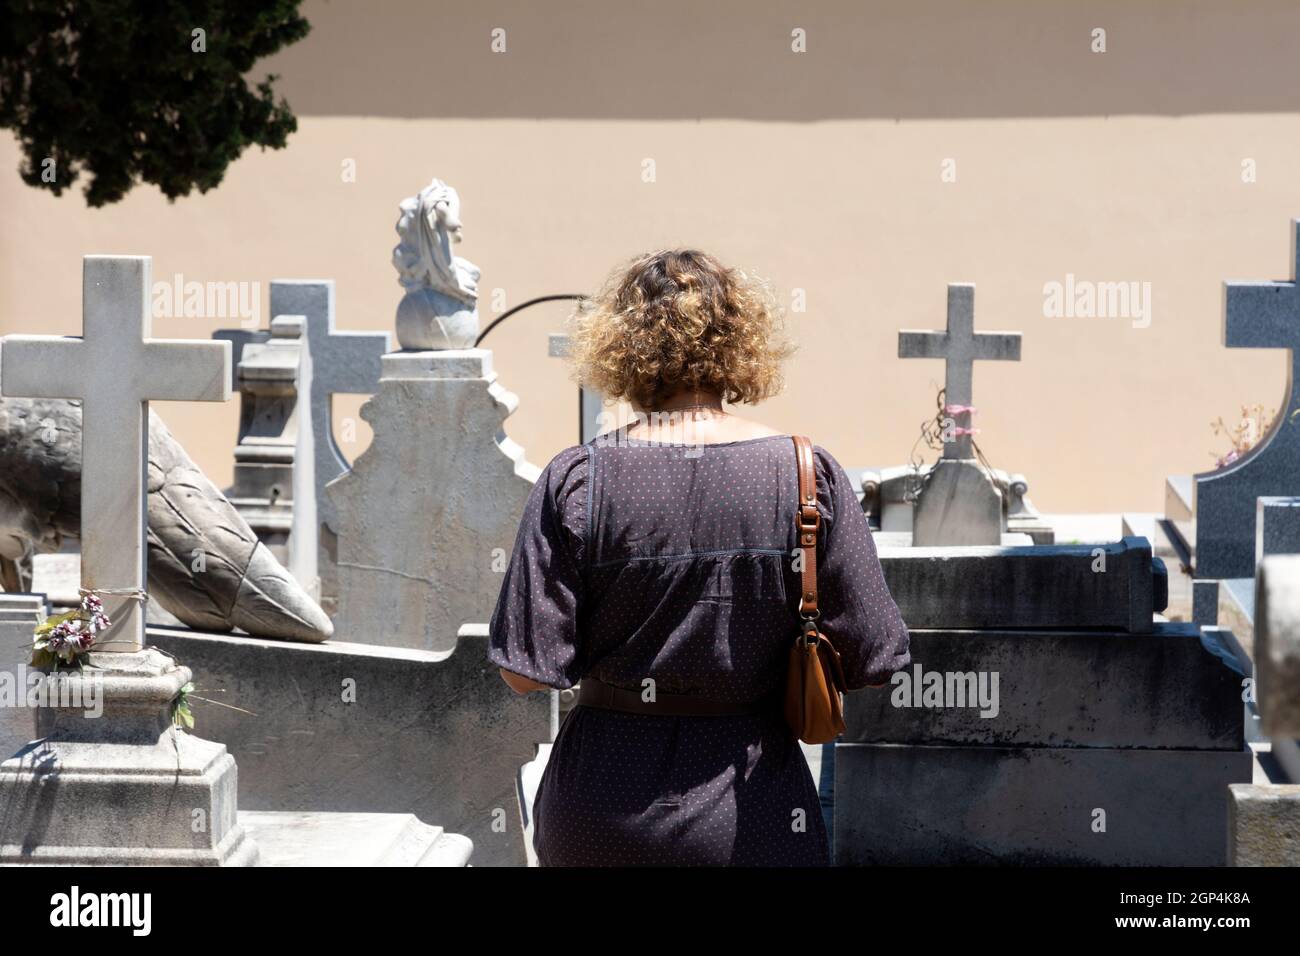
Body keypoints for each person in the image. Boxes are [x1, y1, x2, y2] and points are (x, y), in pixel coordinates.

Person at [488, 248, 911, 866]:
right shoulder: (805, 476)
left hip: (600, 811)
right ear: (741, 339)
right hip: (754, 808)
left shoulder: (577, 480)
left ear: (620, 347)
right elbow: (875, 655)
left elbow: (524, 671)